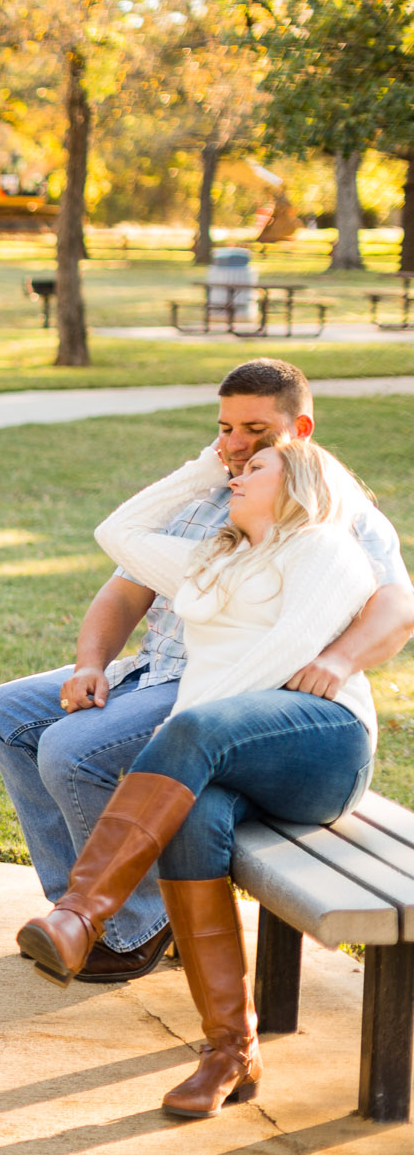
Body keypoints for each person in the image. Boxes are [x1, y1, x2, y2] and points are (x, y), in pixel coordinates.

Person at [0, 360, 414, 981]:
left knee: (71, 750)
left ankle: (135, 925)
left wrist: (335, 661)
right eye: (225, 428)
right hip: (152, 668)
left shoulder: (332, 515)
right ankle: (74, 913)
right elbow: (125, 583)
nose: (235, 446)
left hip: (221, 693)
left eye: (255, 431)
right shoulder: (212, 504)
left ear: (300, 429)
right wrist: (91, 664)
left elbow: (395, 608)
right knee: (3, 713)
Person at [19, 434, 379, 1119]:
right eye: (233, 468)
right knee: (195, 817)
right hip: (228, 749)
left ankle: (80, 914)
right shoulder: (215, 559)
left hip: (323, 745)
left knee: (191, 735)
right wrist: (201, 469)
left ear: (299, 482)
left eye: (255, 467)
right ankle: (230, 1051)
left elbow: (283, 654)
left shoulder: (324, 548)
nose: (236, 475)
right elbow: (118, 534)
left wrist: (181, 734)